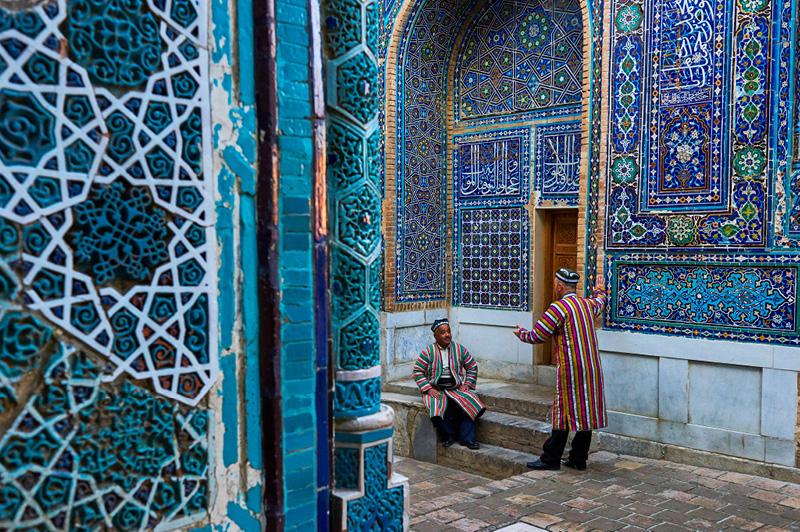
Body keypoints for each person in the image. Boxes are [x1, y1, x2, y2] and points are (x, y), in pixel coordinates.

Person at [513, 267, 607, 471]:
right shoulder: (587, 304)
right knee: (586, 411)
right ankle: (578, 458)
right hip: (592, 368)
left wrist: (521, 334)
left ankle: (550, 458)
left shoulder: (558, 308)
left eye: (556, 283)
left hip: (571, 370)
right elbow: (600, 302)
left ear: (560, 286)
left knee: (563, 411)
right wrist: (600, 290)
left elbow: (538, 335)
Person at [412, 318, 485, 450]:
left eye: (448, 331)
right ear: (436, 336)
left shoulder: (459, 349)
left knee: (469, 401)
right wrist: (428, 389)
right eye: (443, 332)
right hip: (436, 388)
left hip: (455, 388)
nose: (447, 335)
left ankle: (467, 439)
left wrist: (467, 384)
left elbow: (472, 366)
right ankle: (448, 436)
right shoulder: (428, 352)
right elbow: (417, 371)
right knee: (436, 407)